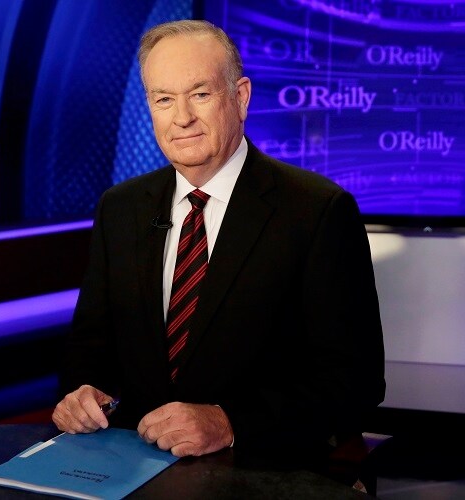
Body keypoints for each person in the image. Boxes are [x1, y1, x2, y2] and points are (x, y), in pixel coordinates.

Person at [52, 19, 385, 461]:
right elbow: (89, 349)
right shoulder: (120, 208)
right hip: (135, 465)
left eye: (200, 94)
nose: (182, 118)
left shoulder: (318, 210)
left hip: (259, 470)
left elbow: (357, 382)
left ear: (240, 97)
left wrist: (231, 423)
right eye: (164, 99)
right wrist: (81, 395)